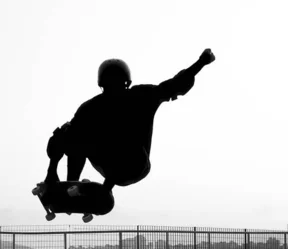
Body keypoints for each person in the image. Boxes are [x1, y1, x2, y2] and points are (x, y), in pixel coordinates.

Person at [43, 48, 216, 193]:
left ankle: (76, 184)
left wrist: (201, 62)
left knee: (71, 131)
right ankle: (70, 184)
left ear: (101, 83)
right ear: (127, 81)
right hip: (124, 164)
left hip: (130, 163)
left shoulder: (94, 106)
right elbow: (174, 85)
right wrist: (201, 62)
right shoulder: (141, 95)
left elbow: (174, 84)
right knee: (71, 131)